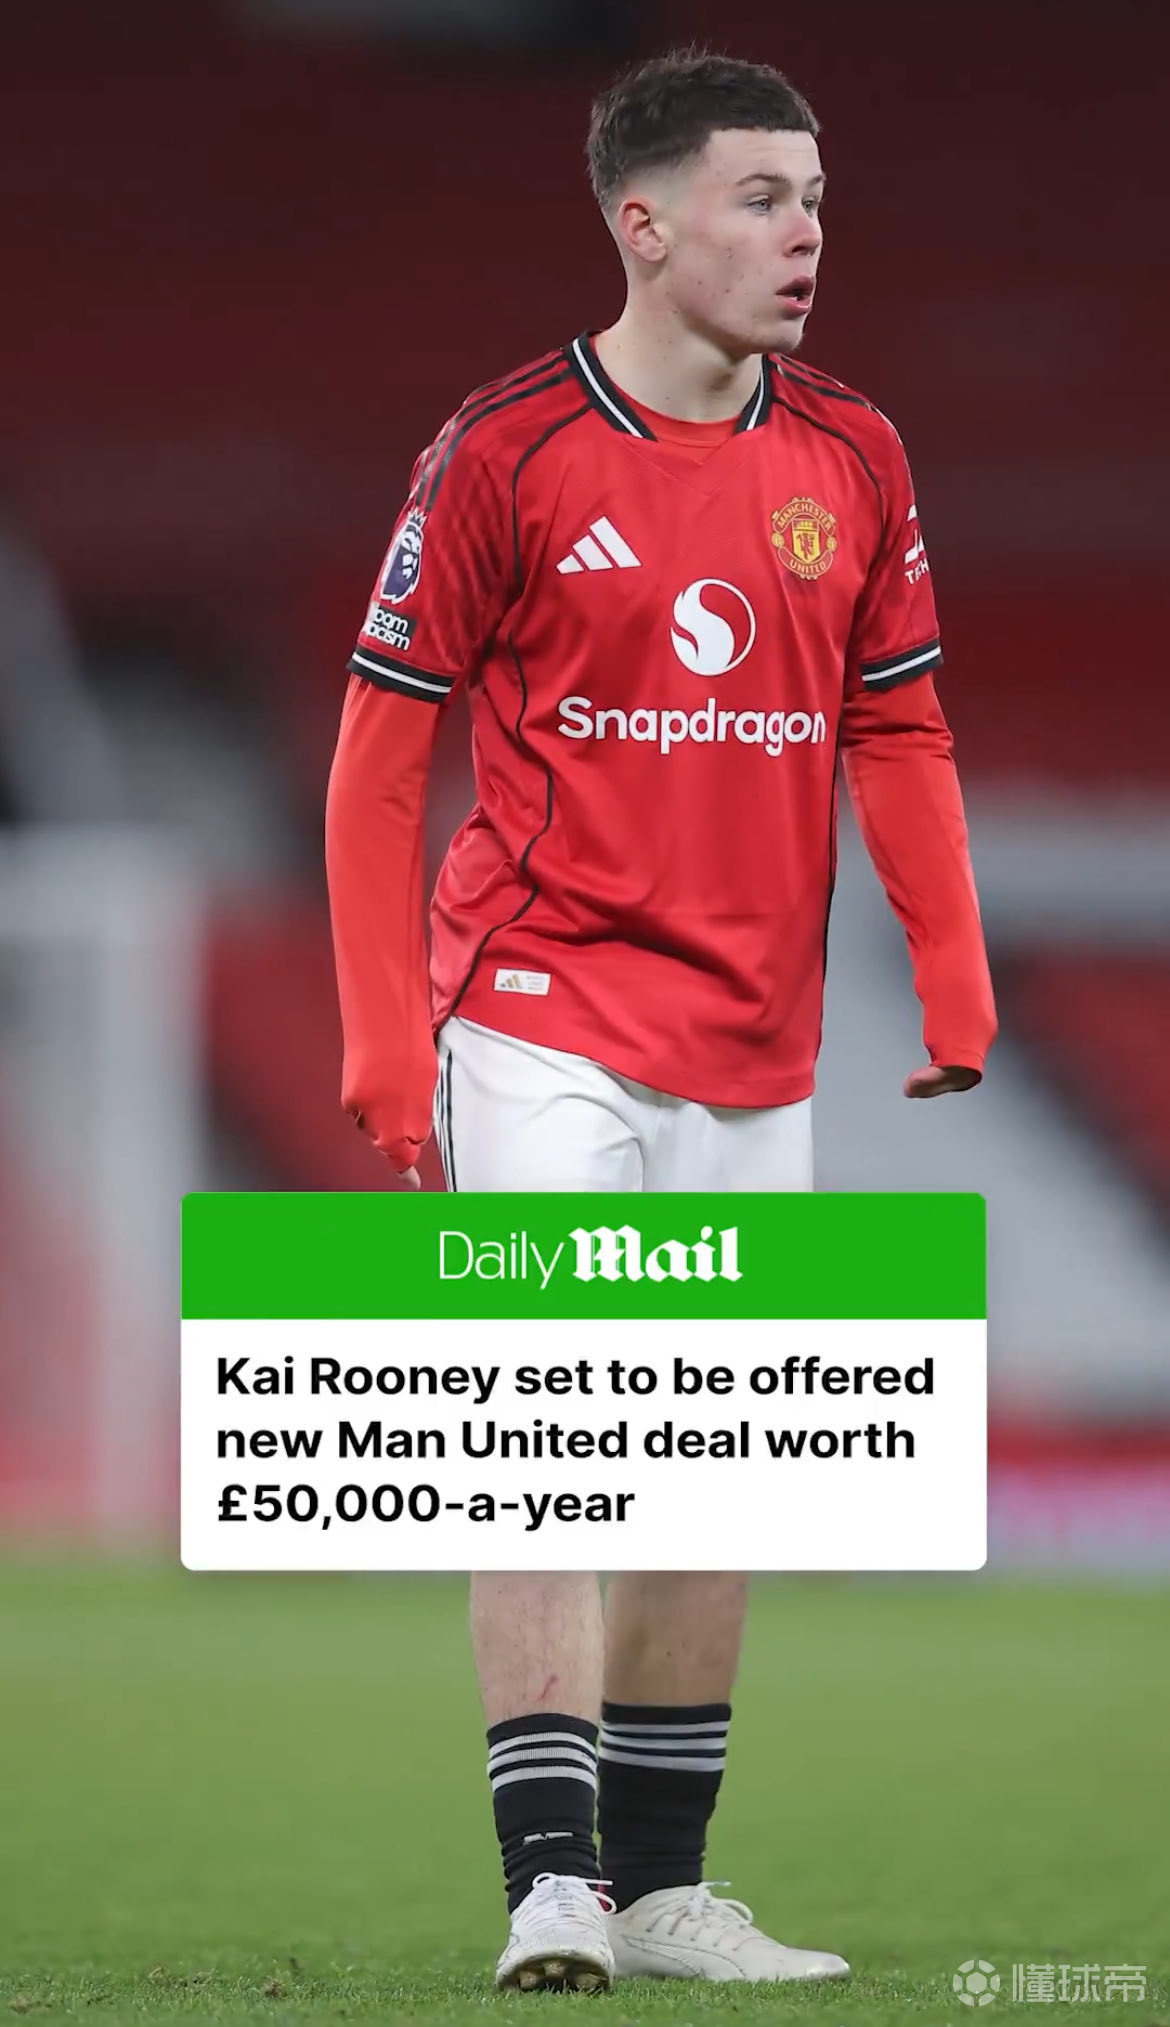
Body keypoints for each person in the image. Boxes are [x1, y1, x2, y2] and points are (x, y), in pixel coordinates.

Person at [325, 48, 995, 1993]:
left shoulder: (852, 452)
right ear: (643, 222)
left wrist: (951, 968)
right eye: (760, 198)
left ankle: (663, 1888)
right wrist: (382, 1038)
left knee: (715, 1463)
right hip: (538, 1004)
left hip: (755, 1042)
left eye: (816, 200)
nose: (806, 236)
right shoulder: (506, 450)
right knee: (551, 1424)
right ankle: (550, 1883)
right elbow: (381, 751)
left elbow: (897, 721)